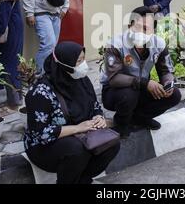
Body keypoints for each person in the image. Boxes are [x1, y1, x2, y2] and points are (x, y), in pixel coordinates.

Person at [24, 42, 120, 184]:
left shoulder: (81, 80)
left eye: (83, 59)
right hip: (44, 147)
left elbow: (94, 105)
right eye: (78, 61)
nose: (83, 65)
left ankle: (81, 179)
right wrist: (78, 128)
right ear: (64, 64)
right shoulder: (41, 92)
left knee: (111, 144)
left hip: (80, 135)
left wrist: (98, 118)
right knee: (76, 149)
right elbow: (41, 134)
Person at [100, 6, 181, 138]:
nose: (141, 32)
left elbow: (166, 70)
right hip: (115, 91)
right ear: (129, 25)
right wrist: (145, 83)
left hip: (141, 89)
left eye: (146, 28)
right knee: (129, 93)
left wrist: (168, 83)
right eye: (137, 27)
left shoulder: (158, 44)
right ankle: (121, 123)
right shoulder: (115, 44)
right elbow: (114, 78)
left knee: (174, 95)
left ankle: (139, 118)